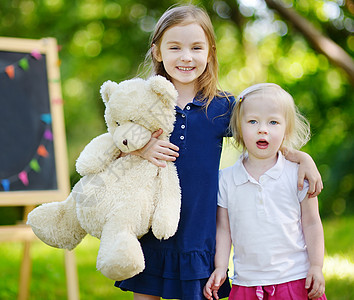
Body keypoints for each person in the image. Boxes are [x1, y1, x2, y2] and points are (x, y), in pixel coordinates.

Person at [115, 4, 323, 300]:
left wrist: (304, 158)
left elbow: (259, 133)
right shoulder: (144, 102)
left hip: (198, 233)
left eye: (196, 48)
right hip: (151, 227)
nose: (186, 57)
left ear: (210, 52)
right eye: (175, 47)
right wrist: (144, 146)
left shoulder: (222, 106)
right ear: (157, 52)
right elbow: (117, 141)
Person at [204, 83, 326, 300]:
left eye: (273, 122)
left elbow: (312, 222)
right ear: (239, 129)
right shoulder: (226, 179)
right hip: (247, 282)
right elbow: (224, 229)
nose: (263, 129)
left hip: (294, 278)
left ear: (286, 129)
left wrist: (316, 266)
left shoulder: (298, 174)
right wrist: (221, 267)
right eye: (252, 121)